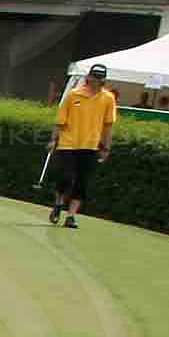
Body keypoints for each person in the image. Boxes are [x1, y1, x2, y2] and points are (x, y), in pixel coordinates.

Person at [45, 63, 117, 230]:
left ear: (103, 80)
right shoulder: (74, 95)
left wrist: (106, 148)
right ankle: (57, 204)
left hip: (91, 146)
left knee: (82, 182)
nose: (95, 81)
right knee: (65, 178)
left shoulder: (108, 98)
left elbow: (108, 125)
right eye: (94, 77)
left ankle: (71, 216)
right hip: (68, 143)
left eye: (99, 79)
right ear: (88, 77)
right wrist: (53, 139)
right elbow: (60, 120)